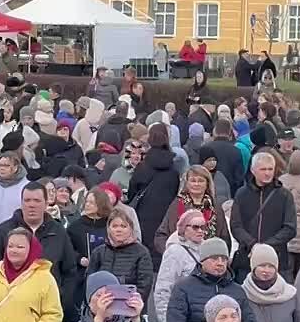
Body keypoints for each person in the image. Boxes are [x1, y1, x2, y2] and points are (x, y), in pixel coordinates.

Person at [0, 180, 78, 318]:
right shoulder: (4, 231)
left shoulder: (58, 232)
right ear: (21, 203)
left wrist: (61, 301)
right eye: (27, 200)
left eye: (37, 201)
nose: (31, 205)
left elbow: (70, 271)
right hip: (10, 310)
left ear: (46, 203)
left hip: (48, 310)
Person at [164, 237, 259, 322]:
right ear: (202, 260)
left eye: (224, 259)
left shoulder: (237, 290)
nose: (220, 263)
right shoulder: (183, 288)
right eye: (214, 259)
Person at [230, 151, 296, 278]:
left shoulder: (284, 195)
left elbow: (290, 228)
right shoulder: (242, 194)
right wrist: (252, 244)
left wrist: (266, 247)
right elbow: (236, 225)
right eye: (263, 169)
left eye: (270, 169)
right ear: (253, 170)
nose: (267, 173)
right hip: (247, 259)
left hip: (276, 259)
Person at [154, 209, 215, 322]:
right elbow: (163, 289)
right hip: (181, 317)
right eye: (195, 227)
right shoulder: (174, 252)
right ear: (183, 229)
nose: (200, 231)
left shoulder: (207, 250)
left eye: (203, 227)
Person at [127, 123, 180, 263]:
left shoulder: (143, 167)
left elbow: (132, 192)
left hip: (143, 216)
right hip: (165, 217)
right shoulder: (173, 169)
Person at [153, 165, 230, 257]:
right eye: (193, 181)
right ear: (187, 183)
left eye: (200, 181)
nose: (196, 184)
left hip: (209, 258)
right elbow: (161, 235)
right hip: (182, 257)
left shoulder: (215, 206)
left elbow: (224, 238)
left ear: (207, 183)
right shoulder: (177, 205)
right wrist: (171, 253)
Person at [87, 207, 154, 305]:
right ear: (108, 228)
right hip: (101, 306)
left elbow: (145, 284)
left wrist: (130, 303)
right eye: (115, 226)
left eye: (123, 226)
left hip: (130, 306)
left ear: (131, 229)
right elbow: (90, 280)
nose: (119, 230)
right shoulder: (99, 252)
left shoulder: (141, 252)